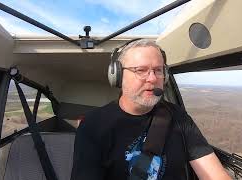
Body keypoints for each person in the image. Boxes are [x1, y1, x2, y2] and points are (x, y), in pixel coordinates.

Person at [71, 39, 231, 180]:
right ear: (118, 75)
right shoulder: (93, 125)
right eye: (140, 70)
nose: (153, 78)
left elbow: (213, 173)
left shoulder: (178, 116)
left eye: (158, 70)